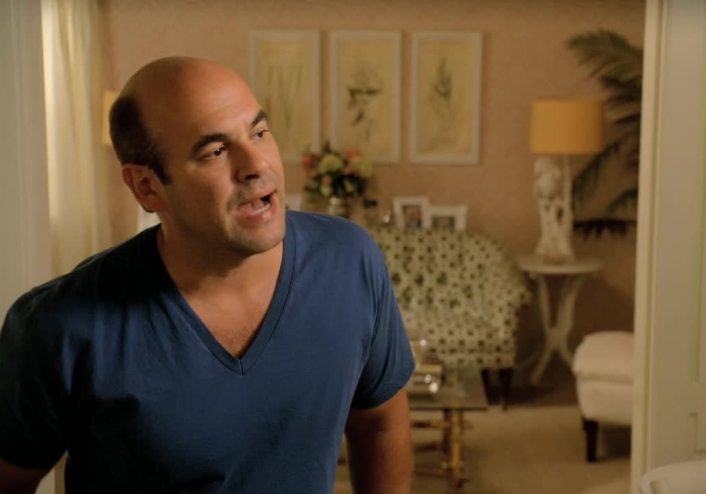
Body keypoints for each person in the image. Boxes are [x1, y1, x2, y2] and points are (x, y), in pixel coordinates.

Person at [0, 57, 415, 493]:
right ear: (146, 187)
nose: (256, 164)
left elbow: (380, 424)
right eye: (215, 151)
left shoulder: (350, 260)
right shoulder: (57, 325)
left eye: (259, 132)